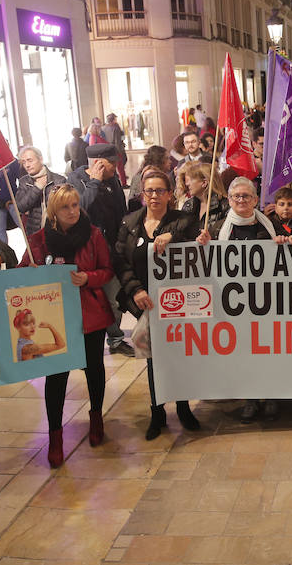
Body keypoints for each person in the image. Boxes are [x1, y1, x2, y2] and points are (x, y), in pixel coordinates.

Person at [18, 185, 115, 467]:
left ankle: (96, 417)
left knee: (94, 369)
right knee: (56, 377)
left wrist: (88, 277)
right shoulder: (39, 240)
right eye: (65, 207)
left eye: (75, 205)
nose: (73, 211)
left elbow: (107, 270)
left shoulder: (93, 234)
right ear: (53, 212)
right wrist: (31, 270)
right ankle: (55, 436)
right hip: (55, 316)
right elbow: (24, 273)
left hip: (89, 315)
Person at [114, 171, 201, 439]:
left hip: (178, 303)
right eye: (149, 191)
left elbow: (195, 246)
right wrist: (135, 290)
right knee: (154, 360)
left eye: (159, 191)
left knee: (180, 358)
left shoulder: (182, 221)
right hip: (147, 303)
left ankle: (184, 407)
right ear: (142, 194)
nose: (154, 196)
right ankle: (157, 411)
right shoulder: (130, 223)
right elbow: (120, 261)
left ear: (169, 194)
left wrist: (172, 238)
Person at [195, 176, 278, 423]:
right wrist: (203, 245)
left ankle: (271, 396)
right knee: (243, 351)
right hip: (232, 302)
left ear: (255, 199)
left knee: (268, 350)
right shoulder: (217, 228)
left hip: (265, 300)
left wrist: (287, 240)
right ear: (229, 199)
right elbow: (202, 261)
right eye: (236, 196)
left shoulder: (269, 225)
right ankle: (250, 399)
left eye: (246, 196)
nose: (241, 200)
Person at [68, 144, 133, 356]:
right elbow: (78, 212)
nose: (117, 167)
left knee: (115, 298)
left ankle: (115, 339)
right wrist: (94, 183)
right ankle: (86, 344)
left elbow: (120, 212)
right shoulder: (74, 181)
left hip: (113, 249)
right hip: (88, 253)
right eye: (112, 163)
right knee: (90, 302)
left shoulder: (113, 180)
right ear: (98, 163)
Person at [15, 145, 67, 237]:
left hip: (56, 232)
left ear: (41, 159)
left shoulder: (58, 180)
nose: (27, 165)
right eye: (24, 162)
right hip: (35, 233)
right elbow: (20, 207)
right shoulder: (24, 181)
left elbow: (65, 207)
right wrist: (37, 188)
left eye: (30, 160)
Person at [178, 162, 229, 238]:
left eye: (191, 179)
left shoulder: (225, 205)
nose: (187, 184)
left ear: (204, 183)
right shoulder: (188, 205)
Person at [0, 159, 22, 244]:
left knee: (23, 225)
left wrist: (19, 196)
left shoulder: (12, 161)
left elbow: (22, 180)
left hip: (13, 200)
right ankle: (5, 253)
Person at [102, 113, 128, 186]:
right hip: (115, 149)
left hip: (107, 150)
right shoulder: (115, 128)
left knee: (110, 167)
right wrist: (120, 151)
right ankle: (123, 183)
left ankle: (114, 183)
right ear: (113, 119)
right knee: (120, 167)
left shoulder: (103, 128)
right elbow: (117, 141)